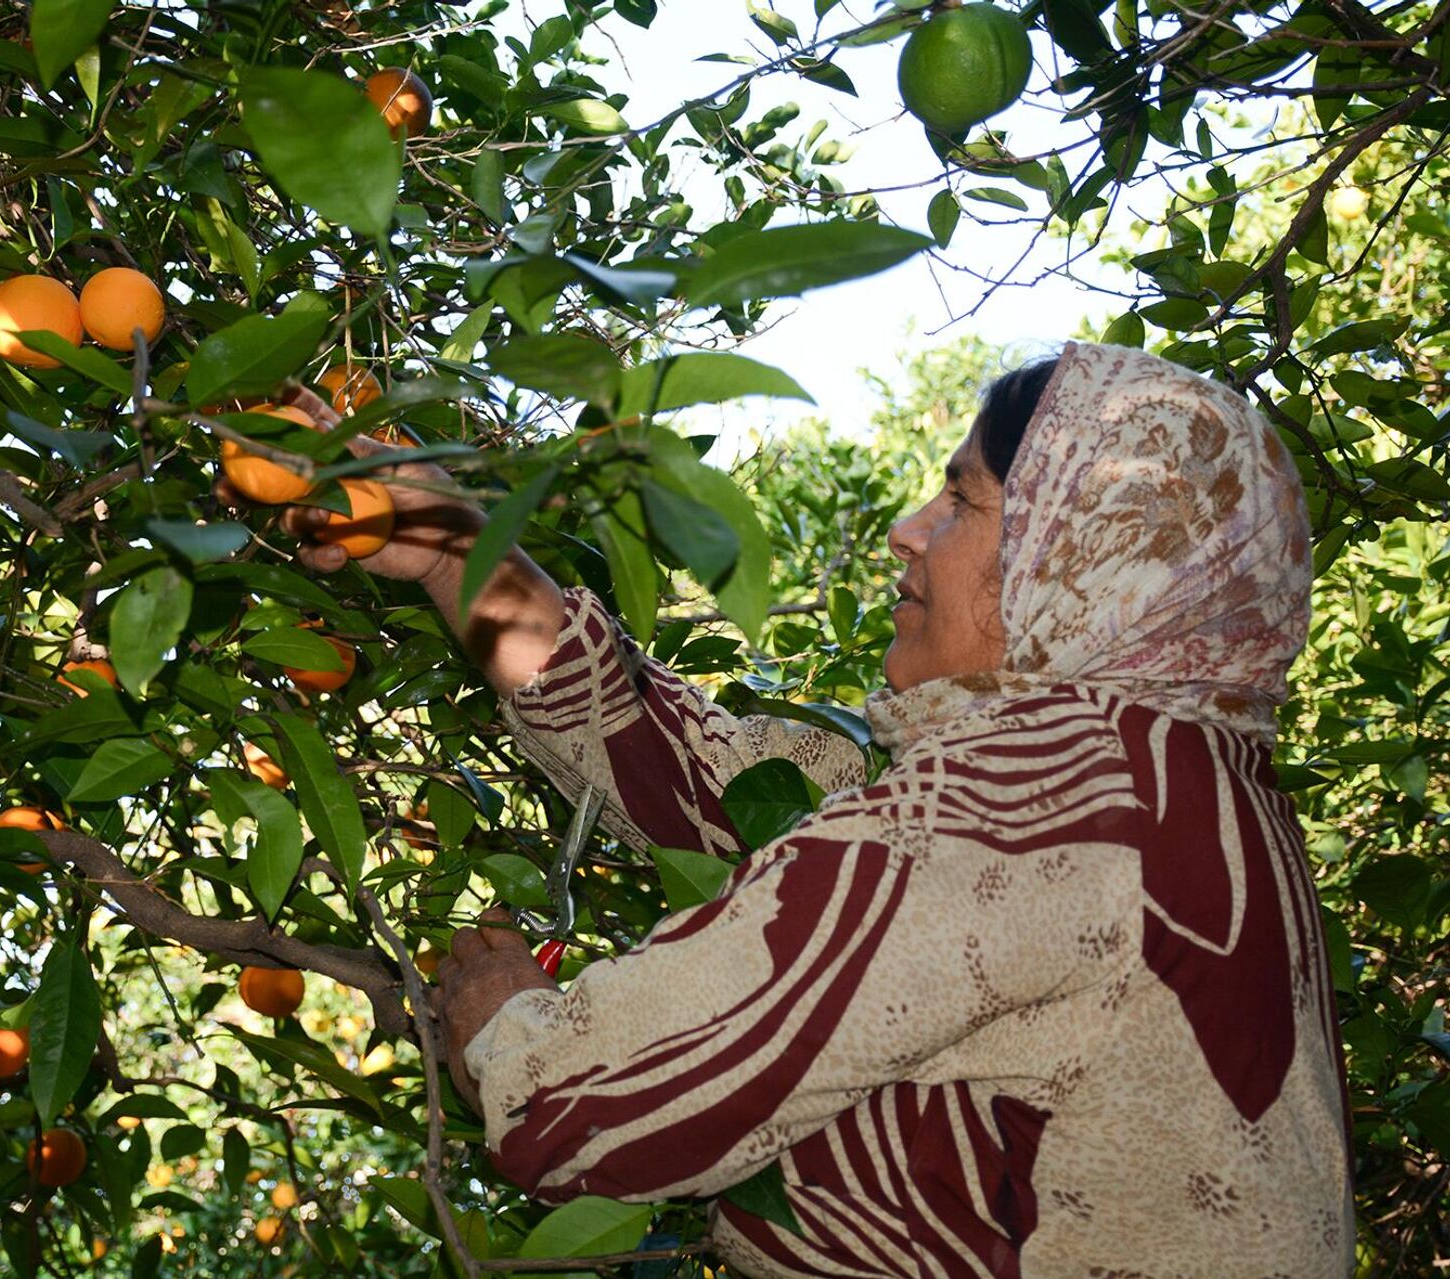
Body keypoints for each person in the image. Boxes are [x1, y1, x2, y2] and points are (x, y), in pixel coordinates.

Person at [260, 340, 1353, 1277]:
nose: (909, 531)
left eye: (964, 500)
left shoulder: (1031, 808)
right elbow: (715, 785)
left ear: (1083, 561)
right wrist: (456, 546)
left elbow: (585, 1112)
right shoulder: (1186, 782)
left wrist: (505, 1023)